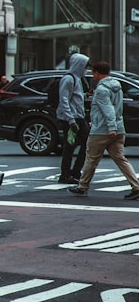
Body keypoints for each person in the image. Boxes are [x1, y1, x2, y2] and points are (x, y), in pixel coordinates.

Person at [68, 61, 139, 200]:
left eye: (93, 73)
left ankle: (82, 187)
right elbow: (115, 107)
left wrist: (110, 127)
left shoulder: (101, 90)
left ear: (97, 73)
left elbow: (108, 110)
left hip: (103, 130)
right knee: (121, 159)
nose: (92, 76)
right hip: (119, 128)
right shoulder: (116, 86)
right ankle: (136, 186)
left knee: (91, 158)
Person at [56, 51, 90, 184]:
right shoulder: (69, 79)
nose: (86, 69)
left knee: (80, 144)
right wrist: (71, 120)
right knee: (71, 146)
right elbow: (64, 100)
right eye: (84, 66)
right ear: (78, 65)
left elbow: (75, 98)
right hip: (71, 118)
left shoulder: (77, 79)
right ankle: (66, 174)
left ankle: (73, 172)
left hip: (77, 116)